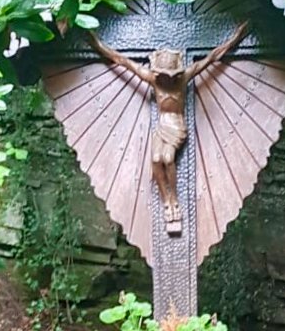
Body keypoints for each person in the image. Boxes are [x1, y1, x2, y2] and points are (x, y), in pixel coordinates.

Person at [88, 21, 250, 235]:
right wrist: (95, 42)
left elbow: (212, 58)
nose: (167, 78)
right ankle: (167, 200)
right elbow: (121, 60)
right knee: (155, 159)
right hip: (162, 125)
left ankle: (174, 200)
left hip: (176, 125)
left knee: (167, 158)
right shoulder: (153, 80)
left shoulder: (184, 79)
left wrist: (236, 37)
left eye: (170, 74)